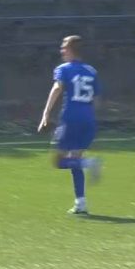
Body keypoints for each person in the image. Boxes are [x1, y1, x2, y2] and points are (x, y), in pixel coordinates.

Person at [38, 35, 103, 214]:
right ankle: (81, 203)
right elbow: (97, 99)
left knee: (58, 162)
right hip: (88, 120)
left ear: (71, 50)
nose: (61, 51)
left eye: (64, 47)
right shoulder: (91, 71)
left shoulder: (63, 69)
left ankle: (90, 163)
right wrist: (89, 117)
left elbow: (57, 88)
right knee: (75, 160)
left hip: (70, 119)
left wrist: (46, 114)